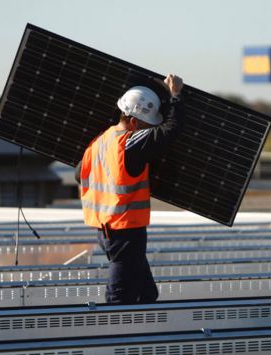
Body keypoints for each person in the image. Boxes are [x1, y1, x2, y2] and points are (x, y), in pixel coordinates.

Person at [75, 74, 185, 304]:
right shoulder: (129, 142)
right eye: (146, 125)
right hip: (125, 230)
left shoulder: (98, 143)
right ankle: (113, 334)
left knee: (146, 293)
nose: (147, 130)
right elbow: (170, 131)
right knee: (119, 298)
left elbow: (79, 174)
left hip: (105, 229)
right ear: (133, 121)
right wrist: (175, 96)